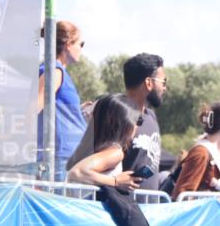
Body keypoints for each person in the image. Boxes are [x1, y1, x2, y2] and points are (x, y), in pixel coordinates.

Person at [68, 53, 168, 189]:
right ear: (149, 83)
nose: (165, 88)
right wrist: (115, 182)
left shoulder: (151, 116)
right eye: (163, 82)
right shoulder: (113, 116)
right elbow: (80, 166)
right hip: (118, 206)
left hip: (146, 208)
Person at [37, 20, 88, 181]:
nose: (81, 49)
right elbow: (35, 106)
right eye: (81, 43)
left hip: (66, 155)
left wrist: (77, 111)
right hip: (60, 157)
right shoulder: (55, 71)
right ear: (68, 43)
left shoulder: (58, 71)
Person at [66, 93, 143, 191]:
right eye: (138, 120)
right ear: (125, 123)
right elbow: (76, 173)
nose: (138, 126)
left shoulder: (88, 146)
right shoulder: (115, 152)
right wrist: (115, 181)